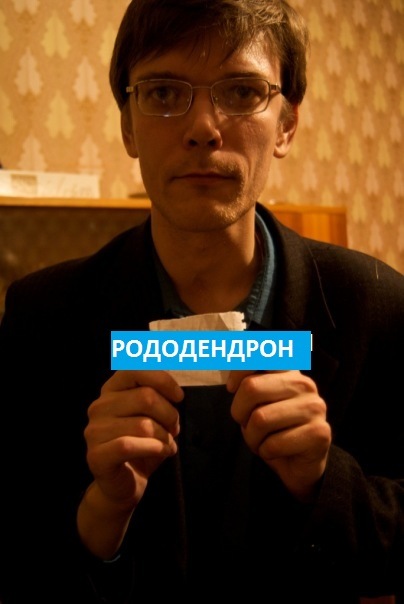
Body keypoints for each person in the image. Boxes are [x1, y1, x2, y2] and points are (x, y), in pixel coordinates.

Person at [0, 1, 403, 602]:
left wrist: (325, 482)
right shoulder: (41, 316)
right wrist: (102, 512)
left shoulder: (377, 307)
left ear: (287, 124)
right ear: (128, 126)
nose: (203, 128)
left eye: (241, 92)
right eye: (164, 92)